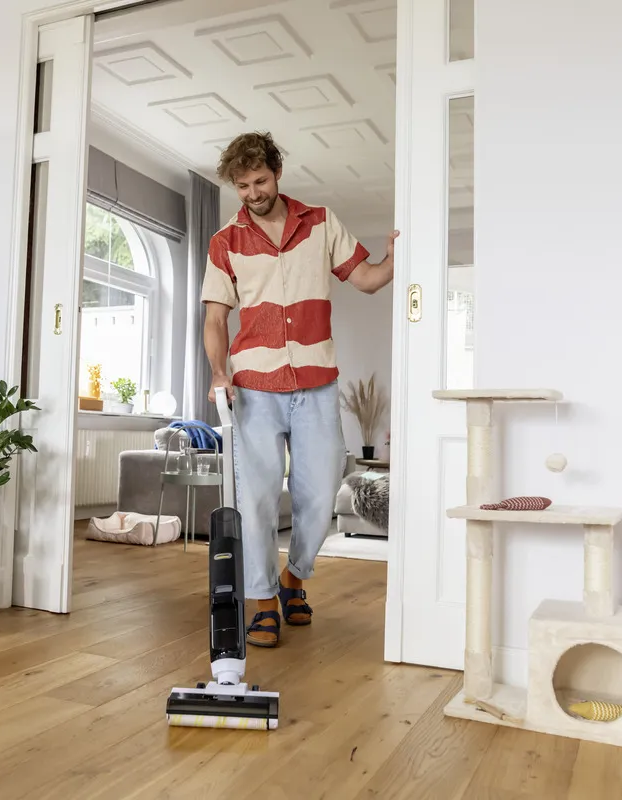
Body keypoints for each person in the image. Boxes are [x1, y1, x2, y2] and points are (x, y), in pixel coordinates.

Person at [200, 131, 397, 647]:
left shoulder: (321, 223)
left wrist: (397, 257)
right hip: (254, 388)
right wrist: (219, 372)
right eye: (243, 186)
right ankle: (263, 600)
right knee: (258, 499)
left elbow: (368, 279)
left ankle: (295, 576)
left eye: (260, 181)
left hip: (316, 383)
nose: (252, 193)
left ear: (278, 173)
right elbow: (216, 319)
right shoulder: (225, 241)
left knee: (320, 491)